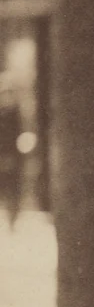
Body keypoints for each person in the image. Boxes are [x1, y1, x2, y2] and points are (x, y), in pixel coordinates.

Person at [0, 74, 24, 228]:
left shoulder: (16, 113)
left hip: (13, 155)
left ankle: (12, 219)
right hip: (2, 154)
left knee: (13, 188)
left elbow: (18, 134)